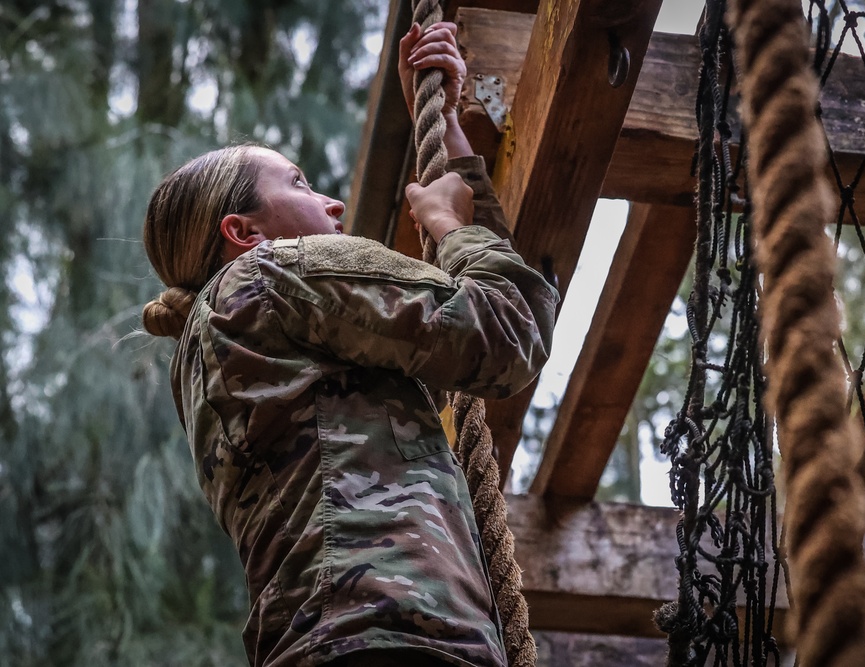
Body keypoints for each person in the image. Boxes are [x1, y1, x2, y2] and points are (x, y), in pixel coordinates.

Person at [141, 21, 557, 667]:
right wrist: (446, 221)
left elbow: (482, 315)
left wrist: (445, 131)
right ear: (243, 229)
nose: (332, 205)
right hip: (389, 630)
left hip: (348, 633)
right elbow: (505, 337)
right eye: (301, 184)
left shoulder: (218, 342)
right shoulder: (275, 272)